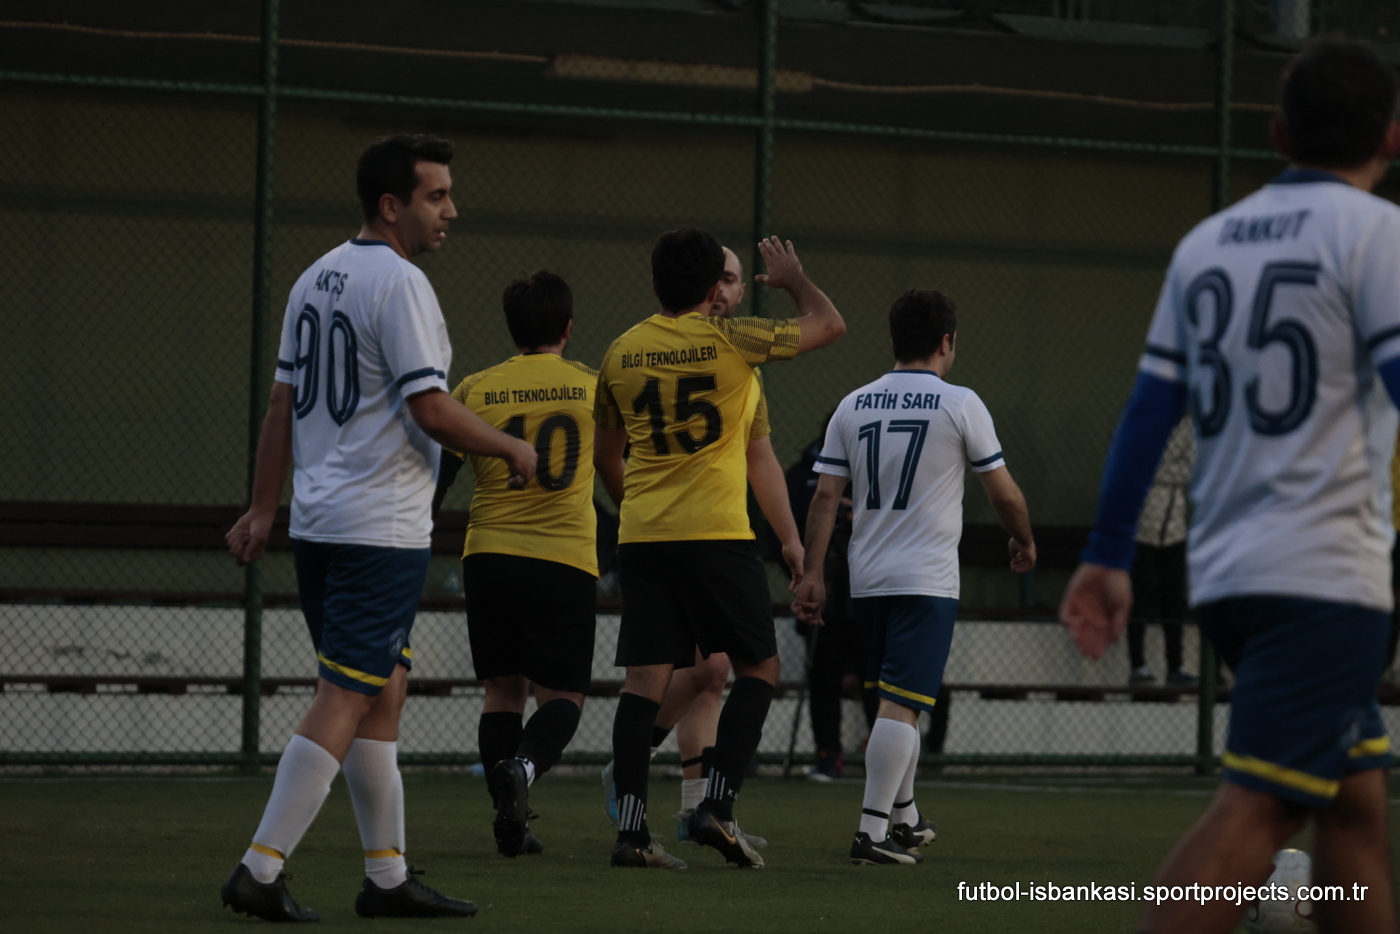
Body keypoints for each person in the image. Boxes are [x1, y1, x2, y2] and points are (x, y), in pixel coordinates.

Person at [1059, 39, 1400, 934]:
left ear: (1279, 132)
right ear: (1392, 139)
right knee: (1259, 810)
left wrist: (1107, 553)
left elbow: (1149, 410)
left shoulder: (1207, 243)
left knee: (1356, 808)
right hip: (1324, 575)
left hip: (1227, 576)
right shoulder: (1378, 235)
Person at [220, 134, 536, 922]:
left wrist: (264, 507)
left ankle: (387, 877)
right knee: (344, 694)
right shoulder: (400, 284)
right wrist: (509, 446)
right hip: (378, 527)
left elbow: (281, 405)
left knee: (381, 689)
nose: (451, 211)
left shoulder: (314, 277)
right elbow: (430, 408)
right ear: (392, 206)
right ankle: (259, 869)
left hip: (322, 523)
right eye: (437, 196)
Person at [595, 230, 845, 869]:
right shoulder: (737, 344)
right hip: (716, 536)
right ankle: (717, 806)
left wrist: (640, 508)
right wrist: (793, 280)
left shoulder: (621, 351)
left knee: (644, 682)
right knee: (759, 668)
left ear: (655, 284)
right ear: (715, 289)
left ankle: (632, 836)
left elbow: (606, 455)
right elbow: (829, 324)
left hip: (645, 537)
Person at [794, 289, 1035, 865]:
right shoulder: (961, 403)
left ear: (894, 340)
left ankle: (903, 818)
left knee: (894, 700)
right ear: (946, 341)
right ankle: (871, 832)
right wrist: (1024, 538)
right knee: (902, 705)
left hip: (867, 577)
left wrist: (812, 574)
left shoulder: (853, 404)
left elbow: (825, 497)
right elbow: (1003, 493)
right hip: (925, 579)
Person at [433, 271, 597, 858]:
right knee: (564, 696)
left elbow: (438, 479)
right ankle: (522, 770)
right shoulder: (592, 387)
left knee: (502, 693)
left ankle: (511, 823)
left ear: (511, 329)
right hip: (564, 557)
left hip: (489, 555)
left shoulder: (474, 388)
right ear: (568, 328)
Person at [1127, 417, 1196, 687]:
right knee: (1140, 594)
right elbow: (1138, 462)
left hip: (1175, 526)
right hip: (1142, 524)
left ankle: (1175, 666)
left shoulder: (1190, 424)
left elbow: (1193, 468)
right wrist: (1172, 466)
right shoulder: (1146, 416)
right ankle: (1138, 666)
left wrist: (1161, 466)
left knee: (1174, 598)